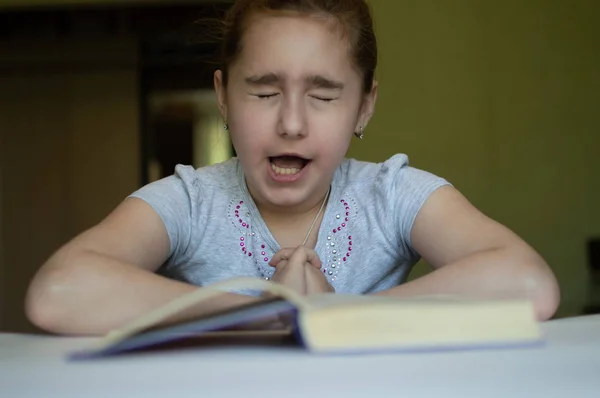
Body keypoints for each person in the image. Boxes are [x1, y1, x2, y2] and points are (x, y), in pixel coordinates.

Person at [25, 0, 560, 336]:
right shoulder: (188, 200)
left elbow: (528, 284)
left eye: (323, 96)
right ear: (223, 97)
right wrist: (263, 311)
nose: (292, 124)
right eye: (263, 91)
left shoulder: (391, 194)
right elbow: (58, 293)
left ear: (364, 106)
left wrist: (339, 315)